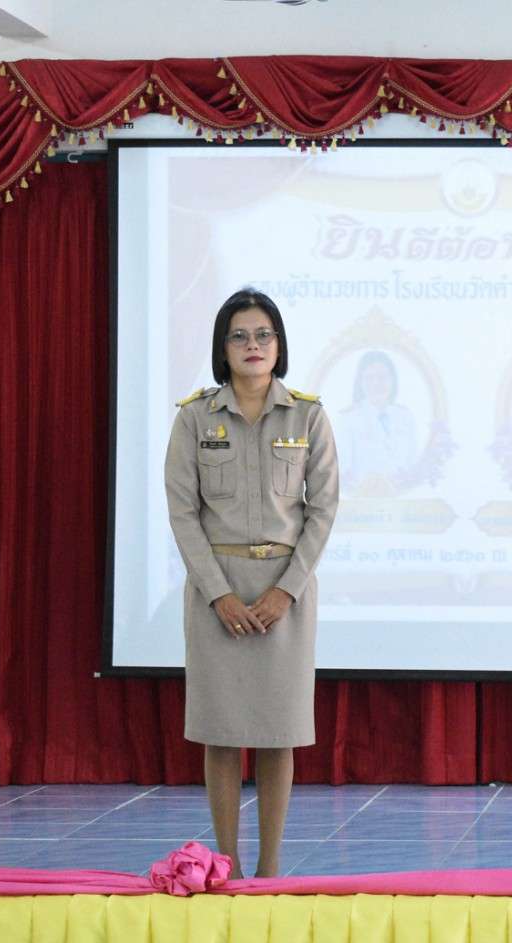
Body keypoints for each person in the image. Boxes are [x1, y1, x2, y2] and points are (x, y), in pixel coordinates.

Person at [163, 287, 339, 878]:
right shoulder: (195, 417)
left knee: (276, 732)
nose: (253, 345)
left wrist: (285, 591)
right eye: (239, 336)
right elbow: (183, 512)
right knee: (220, 732)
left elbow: (323, 510)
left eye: (264, 335)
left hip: (284, 592)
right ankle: (229, 865)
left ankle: (269, 869)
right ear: (223, 348)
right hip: (217, 592)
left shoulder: (307, 415)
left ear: (279, 345)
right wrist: (218, 594)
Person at [334, 350, 419, 495]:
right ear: (360, 383)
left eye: (382, 377)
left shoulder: (405, 417)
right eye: (369, 378)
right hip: (361, 497)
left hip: (401, 496)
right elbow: (342, 468)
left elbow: (412, 463)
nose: (376, 383)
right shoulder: (348, 419)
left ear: (393, 380)